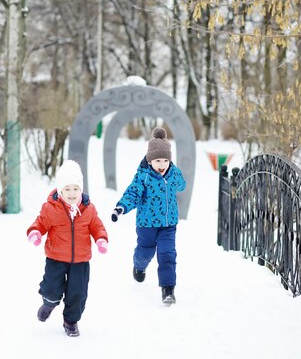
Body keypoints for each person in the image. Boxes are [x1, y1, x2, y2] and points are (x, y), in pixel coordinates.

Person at [27, 160, 109, 337]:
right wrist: (35, 232)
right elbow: (40, 222)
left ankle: (71, 321)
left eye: (75, 188)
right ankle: (49, 302)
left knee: (78, 293)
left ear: (81, 189)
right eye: (67, 189)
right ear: (59, 190)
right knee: (51, 287)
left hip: (80, 259)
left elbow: (97, 226)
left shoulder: (88, 208)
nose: (72, 193)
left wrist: (101, 239)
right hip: (56, 256)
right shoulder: (51, 208)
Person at [111, 127, 186, 304]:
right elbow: (132, 194)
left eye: (166, 160)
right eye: (158, 160)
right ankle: (139, 265)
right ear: (150, 160)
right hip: (146, 224)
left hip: (168, 224)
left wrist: (173, 171)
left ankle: (168, 290)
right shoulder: (143, 177)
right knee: (145, 252)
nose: (162, 164)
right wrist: (120, 208)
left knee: (167, 254)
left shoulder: (172, 173)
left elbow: (182, 185)